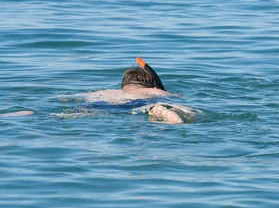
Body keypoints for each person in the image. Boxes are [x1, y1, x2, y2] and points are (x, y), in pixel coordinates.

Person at [1, 58, 199, 124]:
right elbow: (176, 96)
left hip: (97, 105)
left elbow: (66, 98)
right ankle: (165, 115)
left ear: (124, 84)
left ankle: (23, 114)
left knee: (54, 116)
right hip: (136, 106)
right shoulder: (155, 92)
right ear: (149, 83)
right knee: (160, 108)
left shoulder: (104, 92)